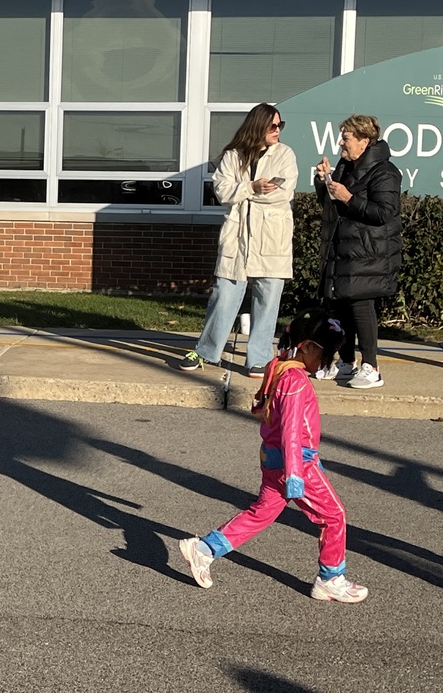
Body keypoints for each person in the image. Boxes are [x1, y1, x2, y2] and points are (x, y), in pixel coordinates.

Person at [179, 309, 368, 603]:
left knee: (262, 513)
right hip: (297, 462)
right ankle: (331, 578)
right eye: (325, 354)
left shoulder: (278, 368)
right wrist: (295, 473)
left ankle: (204, 549)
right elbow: (292, 429)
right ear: (306, 347)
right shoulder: (296, 381)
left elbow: (264, 410)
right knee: (334, 516)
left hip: (272, 458)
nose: (326, 362)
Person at [179, 103, 297, 378]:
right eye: (272, 125)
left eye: (280, 125)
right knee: (225, 292)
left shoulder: (285, 155)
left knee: (267, 298)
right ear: (258, 126)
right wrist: (251, 188)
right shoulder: (233, 156)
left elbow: (283, 193)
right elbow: (222, 191)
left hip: (271, 235)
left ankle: (259, 357)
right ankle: (207, 351)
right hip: (238, 234)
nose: (277, 130)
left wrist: (243, 192)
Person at [314, 114, 402, 390]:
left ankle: (372, 367)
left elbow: (384, 212)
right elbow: (332, 203)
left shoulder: (385, 171)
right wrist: (324, 180)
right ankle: (346, 361)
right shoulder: (345, 165)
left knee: (361, 305)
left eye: (347, 137)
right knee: (340, 304)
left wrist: (349, 198)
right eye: (342, 136)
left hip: (368, 251)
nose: (341, 142)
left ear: (365, 141)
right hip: (344, 249)